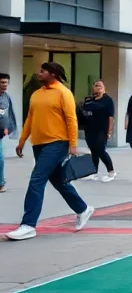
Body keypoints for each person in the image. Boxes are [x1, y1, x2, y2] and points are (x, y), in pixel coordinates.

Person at [6, 62, 94, 240]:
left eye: (43, 71)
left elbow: (71, 119)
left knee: (36, 179)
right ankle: (83, 209)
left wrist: (73, 144)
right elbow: (30, 119)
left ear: (53, 74)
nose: (38, 74)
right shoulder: (37, 94)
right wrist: (22, 141)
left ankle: (28, 225)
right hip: (39, 143)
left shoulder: (63, 93)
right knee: (58, 181)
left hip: (57, 143)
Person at [80, 80, 116, 182]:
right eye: (96, 85)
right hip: (90, 129)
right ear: (93, 88)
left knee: (100, 150)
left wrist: (109, 131)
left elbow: (110, 117)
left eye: (100, 85)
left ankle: (111, 171)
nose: (98, 87)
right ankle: (93, 172)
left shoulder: (108, 100)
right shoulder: (90, 100)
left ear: (104, 88)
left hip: (102, 129)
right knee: (93, 151)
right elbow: (85, 112)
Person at [0, 73, 17, 193]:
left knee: (0, 158)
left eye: (6, 82)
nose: (4, 85)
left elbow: (9, 114)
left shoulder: (7, 97)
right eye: (2, 82)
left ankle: (1, 183)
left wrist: (7, 127)